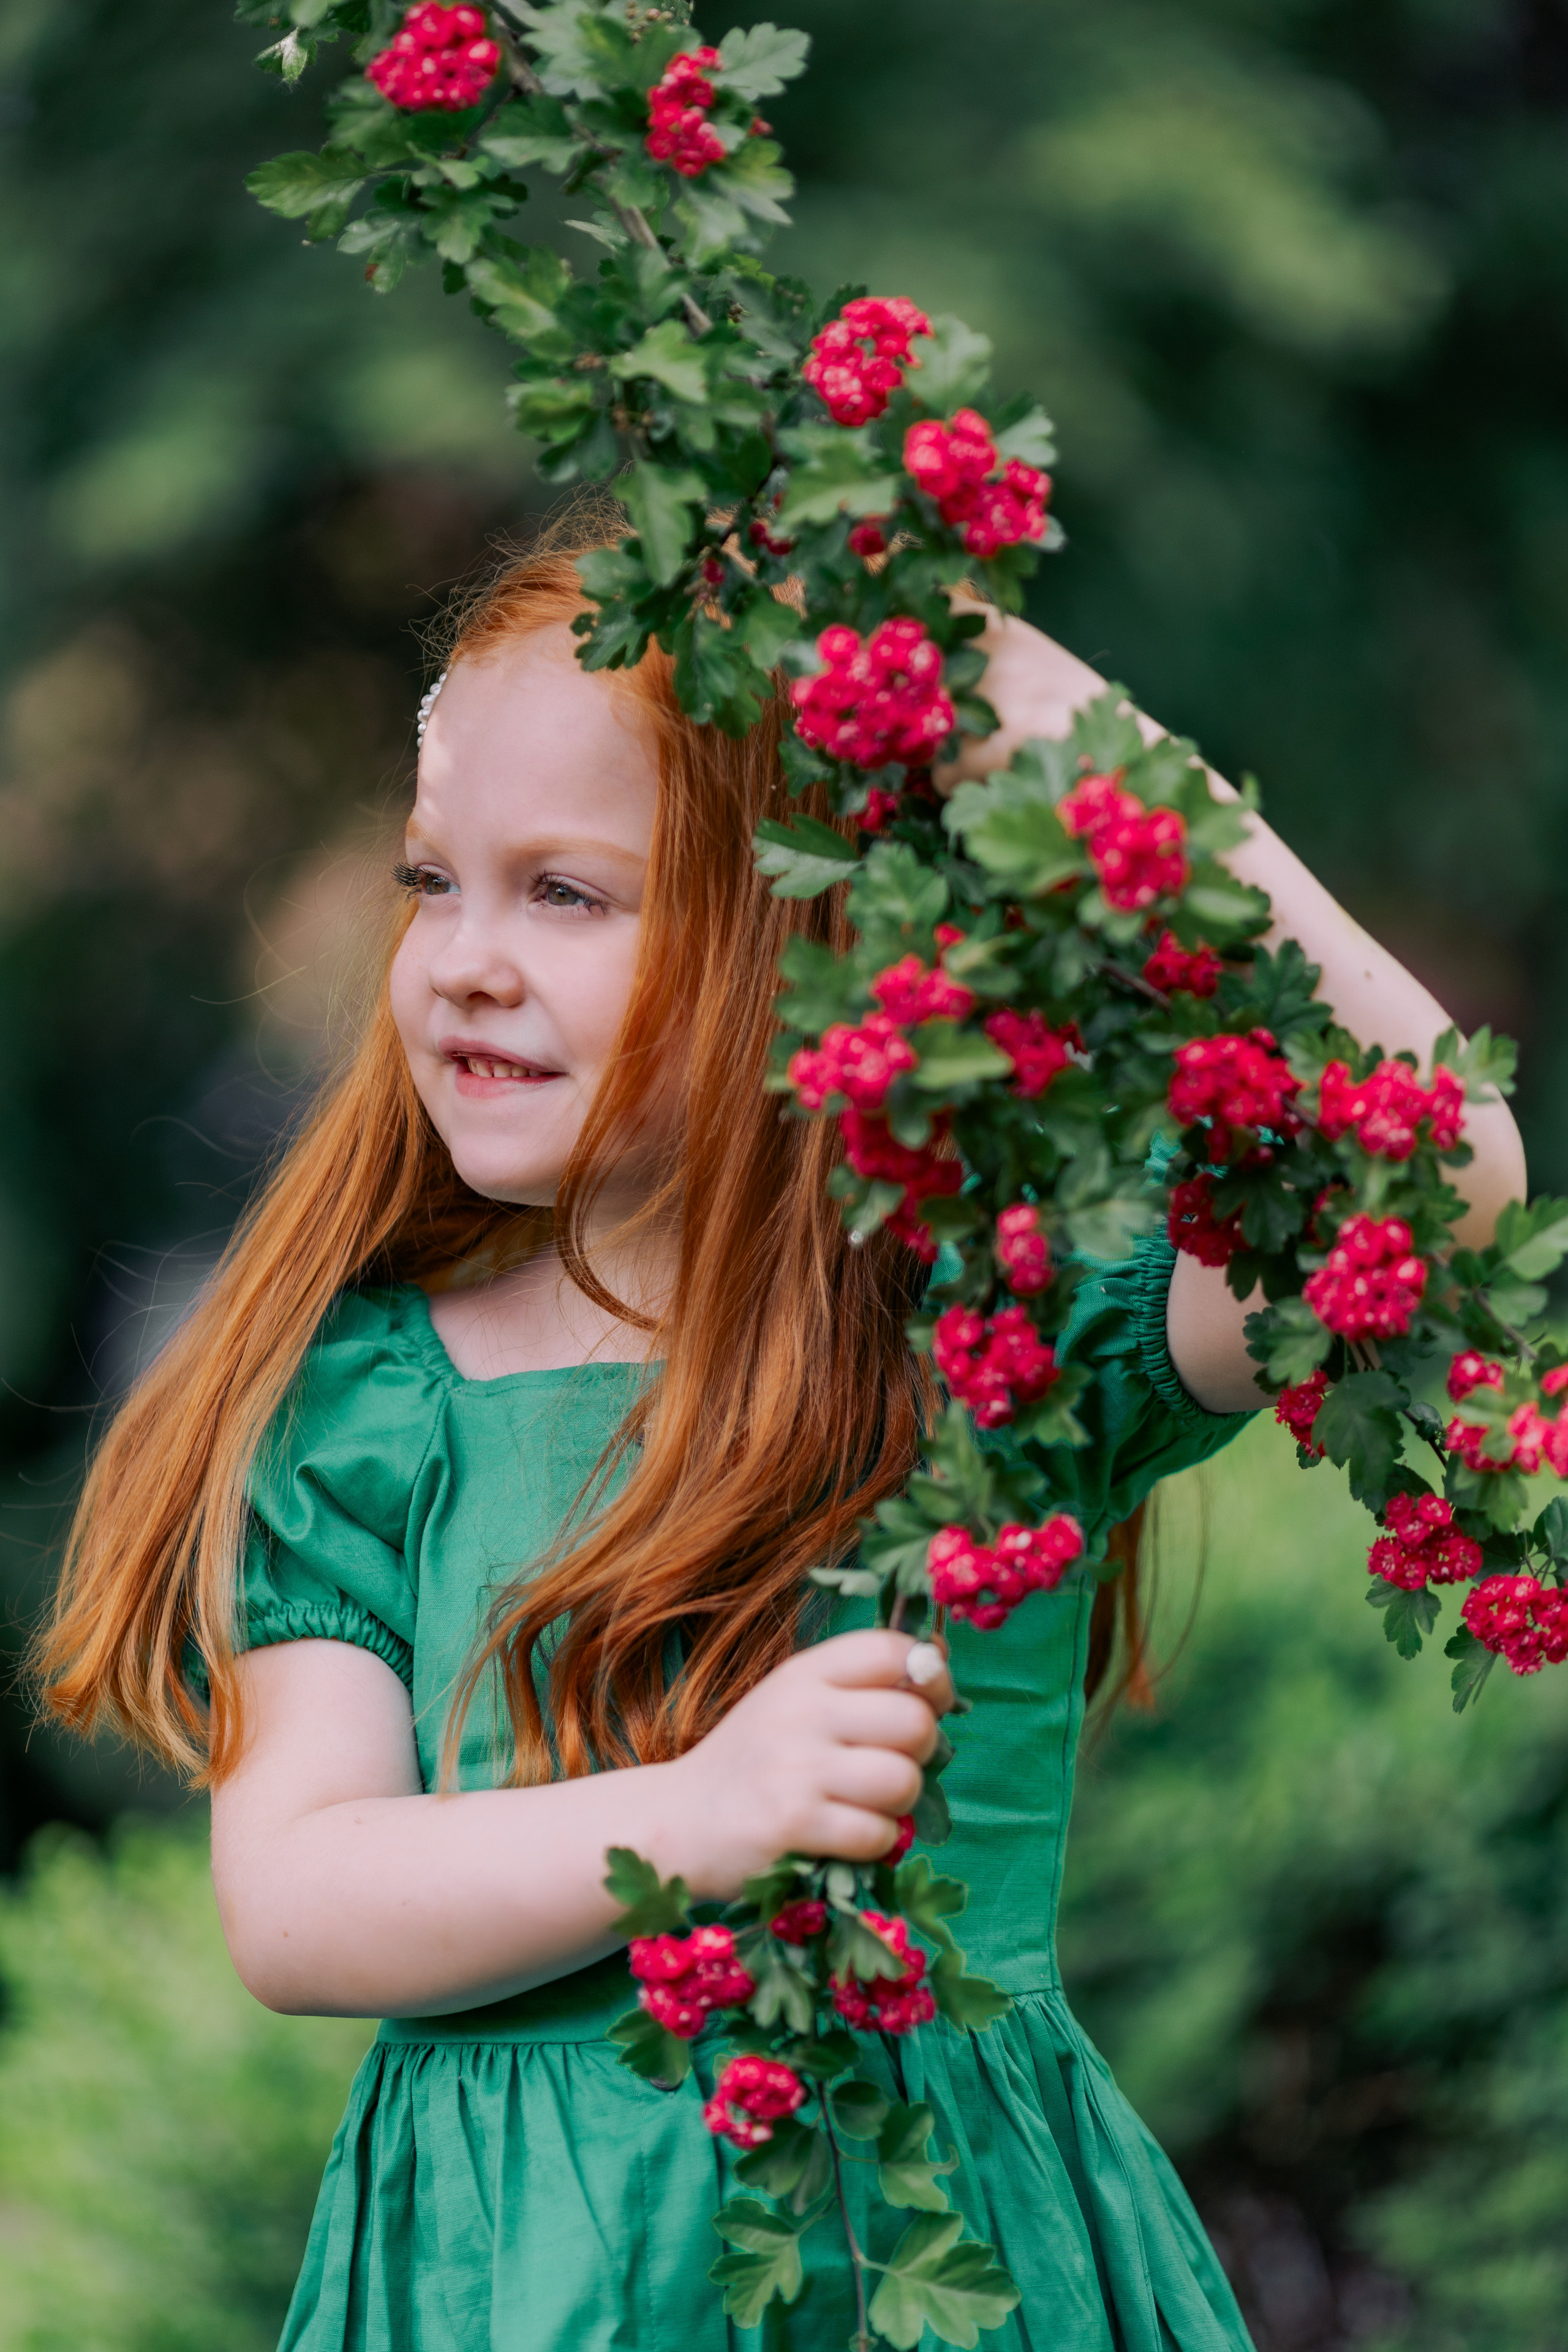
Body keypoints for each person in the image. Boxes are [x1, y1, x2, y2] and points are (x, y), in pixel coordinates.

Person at [39, 529, 1525, 2352]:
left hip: (945, 2264)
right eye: (436, 881)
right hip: (520, 2284)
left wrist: (1072, 735)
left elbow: (1430, 1180)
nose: (465, 963)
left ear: (804, 932)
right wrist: (691, 1816)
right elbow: (298, 1896)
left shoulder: (1002, 1337)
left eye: (566, 896)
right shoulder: (373, 1394)